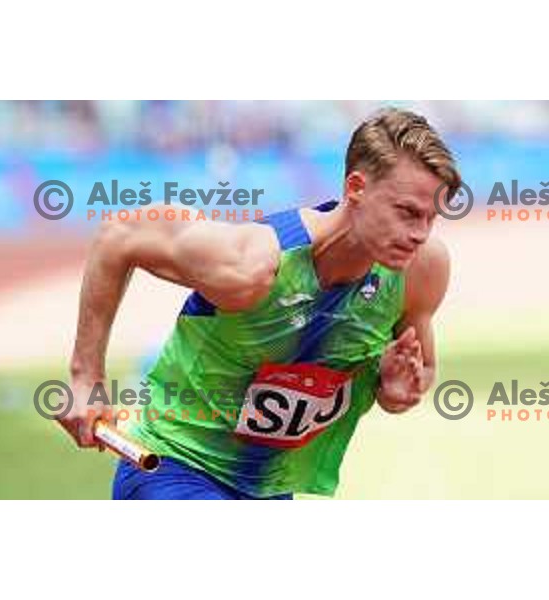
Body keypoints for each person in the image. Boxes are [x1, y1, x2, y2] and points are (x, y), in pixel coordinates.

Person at [62, 108, 461, 499]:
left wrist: (393, 389)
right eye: (407, 213)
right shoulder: (251, 265)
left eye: (431, 218)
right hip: (172, 465)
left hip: (268, 488)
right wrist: (86, 379)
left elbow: (419, 372)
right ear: (356, 188)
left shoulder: (420, 271)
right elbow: (119, 235)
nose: (419, 234)